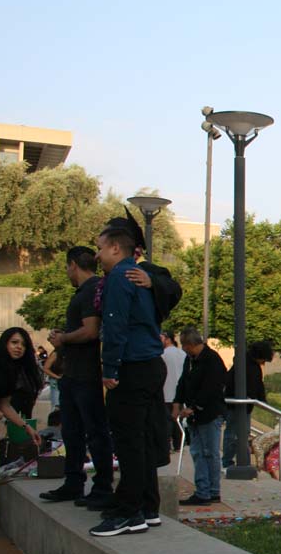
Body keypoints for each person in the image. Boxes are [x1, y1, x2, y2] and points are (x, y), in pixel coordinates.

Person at [89, 221, 166, 537]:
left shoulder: (120, 277)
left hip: (132, 367)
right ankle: (147, 507)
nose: (96, 255)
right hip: (149, 364)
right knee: (142, 440)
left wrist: (109, 369)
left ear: (115, 248)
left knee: (129, 442)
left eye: (99, 248)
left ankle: (128, 512)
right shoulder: (136, 276)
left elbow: (115, 324)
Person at [42, 246, 116, 508]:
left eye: (67, 267)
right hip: (73, 373)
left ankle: (102, 485)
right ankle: (73, 482)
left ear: (73, 264)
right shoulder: (86, 291)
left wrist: (63, 338)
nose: (67, 272)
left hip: (87, 375)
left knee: (95, 431)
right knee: (72, 431)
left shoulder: (92, 290)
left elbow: (90, 330)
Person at [0, 328, 43, 537]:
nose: (19, 347)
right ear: (5, 342)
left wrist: (26, 427)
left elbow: (4, 404)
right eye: (14, 342)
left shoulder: (13, 371)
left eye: (23, 344)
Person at [174, 327, 226, 506]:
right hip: (195, 415)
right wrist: (178, 402)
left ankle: (210, 491)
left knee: (209, 452)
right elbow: (183, 381)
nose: (183, 349)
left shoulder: (212, 360)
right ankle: (205, 490)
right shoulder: (190, 360)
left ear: (190, 344)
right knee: (198, 452)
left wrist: (194, 407)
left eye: (184, 345)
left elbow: (212, 387)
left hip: (209, 413)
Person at [221, 340, 274, 469]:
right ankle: (229, 461)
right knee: (234, 434)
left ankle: (239, 461)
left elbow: (258, 385)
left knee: (241, 434)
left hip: (245, 405)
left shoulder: (250, 365)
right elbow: (251, 384)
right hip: (237, 405)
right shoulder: (245, 365)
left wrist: (261, 400)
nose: (264, 362)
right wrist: (258, 398)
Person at [160, 330, 186, 452]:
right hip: (180, 392)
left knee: (167, 421)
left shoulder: (162, 354)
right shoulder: (183, 354)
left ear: (168, 339)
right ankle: (178, 445)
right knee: (178, 420)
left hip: (166, 391)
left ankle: (166, 446)